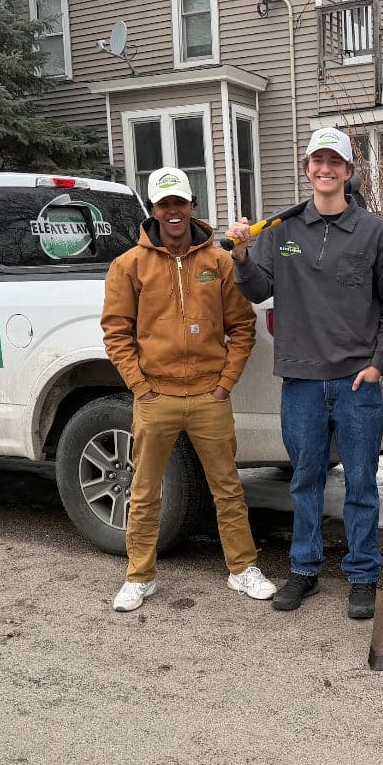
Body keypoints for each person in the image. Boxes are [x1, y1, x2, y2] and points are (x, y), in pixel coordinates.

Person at [225, 127, 383, 620]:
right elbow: (257, 290)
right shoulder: (281, 231)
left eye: (335, 162)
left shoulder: (374, 232)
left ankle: (363, 573)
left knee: (363, 482)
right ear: (307, 168)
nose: (325, 169)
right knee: (305, 479)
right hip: (300, 379)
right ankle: (303, 569)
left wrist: (378, 364)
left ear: (348, 171)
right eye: (316, 161)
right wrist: (240, 256)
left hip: (354, 382)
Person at [101, 167, 276, 613]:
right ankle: (139, 576)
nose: (173, 212)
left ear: (192, 206)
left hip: (207, 398)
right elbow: (116, 333)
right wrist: (140, 388)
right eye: (164, 205)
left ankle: (242, 569)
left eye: (180, 203)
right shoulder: (128, 266)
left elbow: (242, 326)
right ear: (153, 210)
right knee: (143, 490)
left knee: (227, 487)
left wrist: (224, 385)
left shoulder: (218, 262)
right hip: (154, 398)